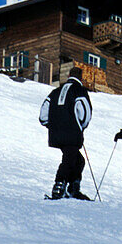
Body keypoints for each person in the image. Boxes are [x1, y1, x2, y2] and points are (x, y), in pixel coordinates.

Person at [39, 66, 92, 199]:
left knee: (78, 160)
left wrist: (52, 125)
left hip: (56, 133)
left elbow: (43, 115)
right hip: (72, 133)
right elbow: (85, 114)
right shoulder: (80, 91)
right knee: (69, 159)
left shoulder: (55, 91)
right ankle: (60, 187)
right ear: (81, 77)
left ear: (69, 75)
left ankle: (72, 187)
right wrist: (80, 126)